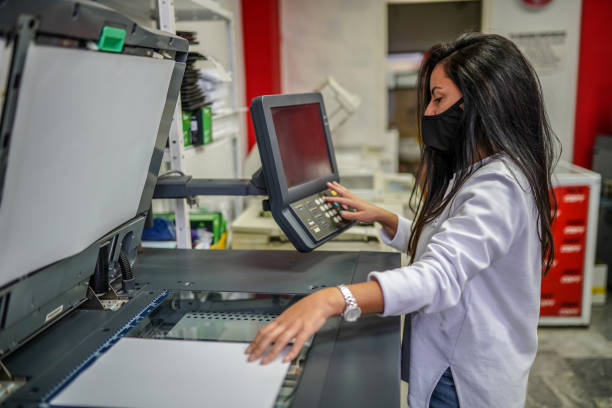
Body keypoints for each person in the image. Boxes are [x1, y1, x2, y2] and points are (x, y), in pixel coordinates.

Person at [246, 32, 558, 408]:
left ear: (485, 97)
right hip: (459, 360)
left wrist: (332, 300)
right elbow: (458, 244)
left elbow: (440, 275)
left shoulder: (499, 185)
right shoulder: (489, 169)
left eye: (439, 98)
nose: (428, 112)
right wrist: (388, 219)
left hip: (461, 377)